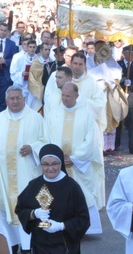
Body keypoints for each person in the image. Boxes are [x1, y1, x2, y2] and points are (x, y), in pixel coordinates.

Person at [0, 85, 47, 250]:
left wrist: (33, 148)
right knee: (3, 205)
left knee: (26, 204)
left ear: (24, 99)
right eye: (12, 98)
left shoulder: (36, 118)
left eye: (18, 98)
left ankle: (27, 243)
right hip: (3, 173)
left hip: (25, 172)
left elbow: (46, 140)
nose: (15, 101)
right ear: (6, 101)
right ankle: (9, 243)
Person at [44, 82, 106, 234]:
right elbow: (47, 137)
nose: (65, 99)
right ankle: (57, 226)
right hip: (57, 164)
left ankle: (85, 228)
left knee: (82, 194)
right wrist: (55, 158)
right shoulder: (53, 114)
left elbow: (91, 140)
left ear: (77, 96)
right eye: (63, 95)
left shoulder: (86, 114)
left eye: (68, 96)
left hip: (78, 164)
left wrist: (75, 158)